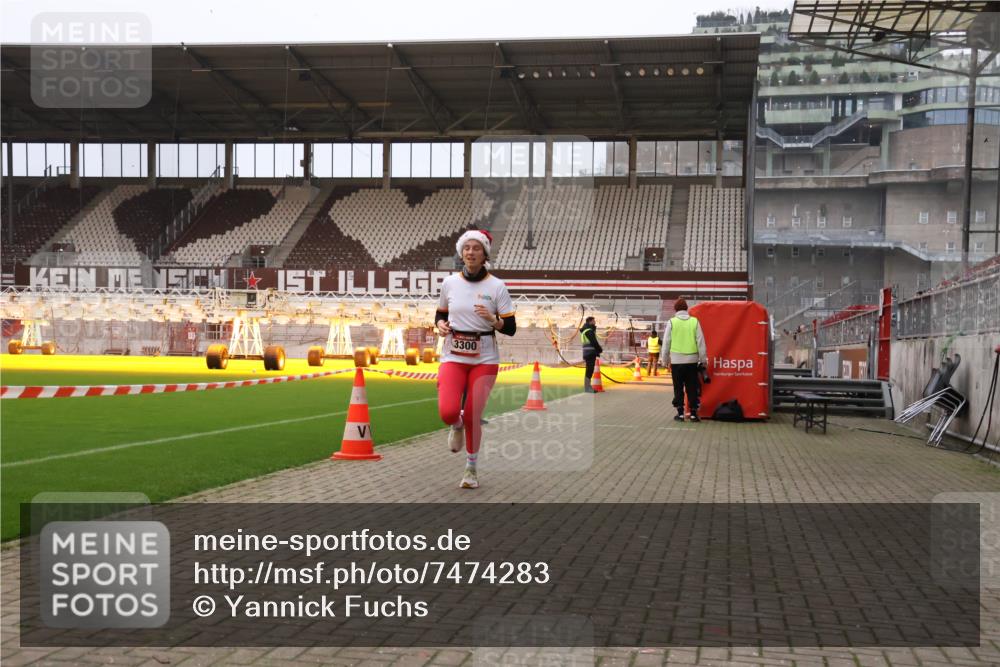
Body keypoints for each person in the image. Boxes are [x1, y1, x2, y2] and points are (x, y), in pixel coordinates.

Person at [435, 229, 516, 489]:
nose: (471, 252)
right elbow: (439, 314)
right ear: (461, 252)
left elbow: (511, 328)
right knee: (449, 412)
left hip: (485, 358)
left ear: (485, 255)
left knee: (473, 414)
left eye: (476, 248)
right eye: (467, 248)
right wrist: (440, 326)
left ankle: (471, 469)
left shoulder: (497, 286)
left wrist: (493, 320)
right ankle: (455, 425)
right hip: (453, 355)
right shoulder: (449, 283)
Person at [660, 298, 707, 422]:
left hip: (676, 361)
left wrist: (664, 360)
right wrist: (703, 359)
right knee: (692, 387)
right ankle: (693, 413)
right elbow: (701, 342)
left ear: (675, 309)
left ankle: (680, 413)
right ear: (686, 309)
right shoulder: (694, 322)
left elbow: (666, 343)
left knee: (678, 387)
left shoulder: (672, 322)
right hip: (692, 361)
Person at [579, 316, 603, 393]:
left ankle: (587, 387)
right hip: (590, 353)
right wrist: (599, 349)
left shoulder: (585, 330)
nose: (595, 322)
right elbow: (594, 342)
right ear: (590, 321)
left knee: (589, 370)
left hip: (587, 353)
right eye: (594, 321)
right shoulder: (589, 331)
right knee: (589, 371)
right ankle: (587, 388)